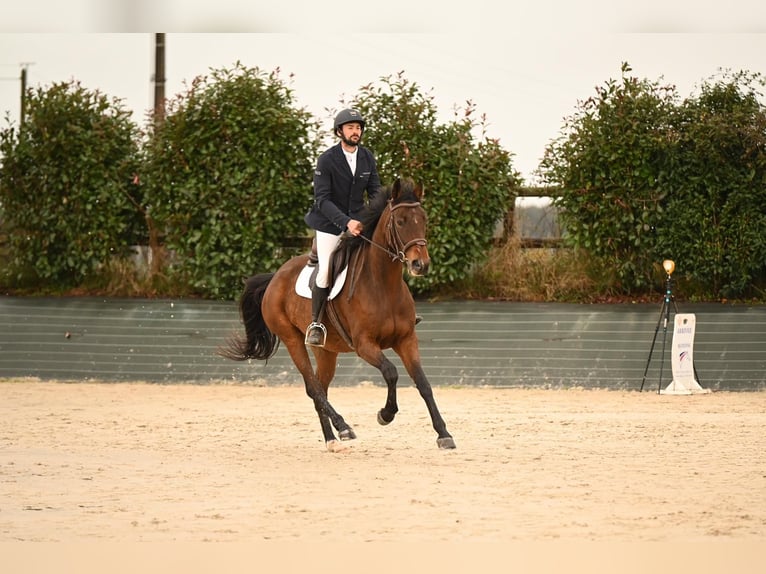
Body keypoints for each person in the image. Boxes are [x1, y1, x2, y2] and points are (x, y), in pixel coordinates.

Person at [303, 108, 382, 347]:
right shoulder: (327, 159)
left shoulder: (367, 157)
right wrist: (346, 222)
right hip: (329, 223)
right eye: (350, 127)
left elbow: (376, 192)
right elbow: (322, 199)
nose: (355, 131)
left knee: (382, 258)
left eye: (358, 127)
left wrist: (374, 218)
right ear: (340, 131)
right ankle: (316, 323)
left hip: (360, 221)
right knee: (326, 269)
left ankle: (395, 311)